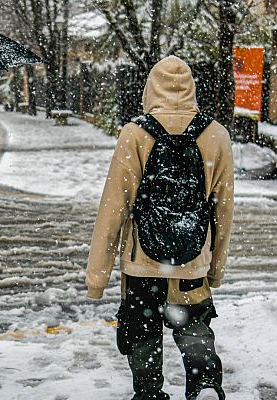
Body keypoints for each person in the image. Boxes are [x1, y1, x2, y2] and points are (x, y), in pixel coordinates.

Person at [86, 56, 234, 400]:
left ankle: (149, 392)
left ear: (150, 88)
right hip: (192, 256)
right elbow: (223, 211)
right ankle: (204, 383)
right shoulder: (215, 135)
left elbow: (113, 209)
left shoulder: (135, 133)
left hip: (142, 261)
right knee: (193, 323)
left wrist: (97, 277)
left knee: (142, 331)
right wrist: (215, 268)